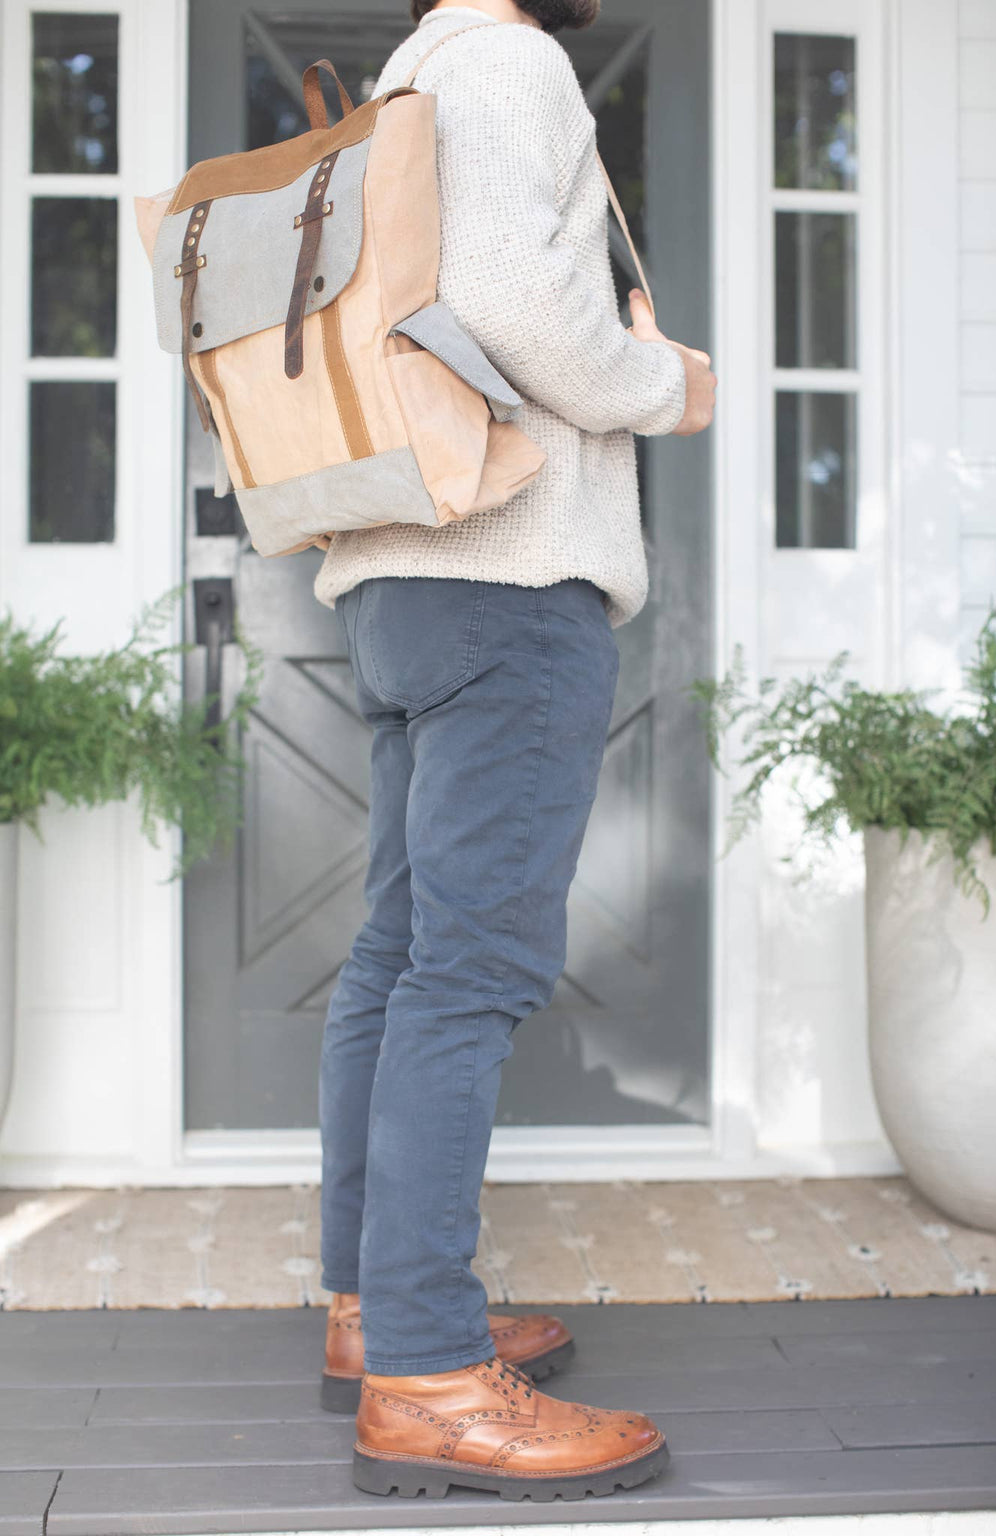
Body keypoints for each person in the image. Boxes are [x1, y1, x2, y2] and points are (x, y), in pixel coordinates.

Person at [315, 0, 717, 1501]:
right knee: (465, 974)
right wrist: (668, 385)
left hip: (400, 576)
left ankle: (376, 1315)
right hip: (509, 579)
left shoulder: (409, 76)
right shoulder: (510, 62)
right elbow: (519, 304)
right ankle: (426, 1374)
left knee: (399, 956)